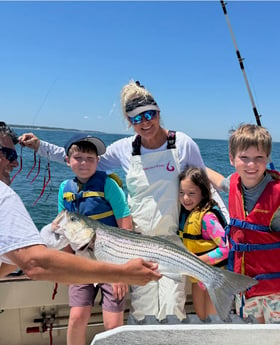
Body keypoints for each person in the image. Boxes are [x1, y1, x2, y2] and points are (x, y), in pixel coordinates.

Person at [19, 80, 229, 324]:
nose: (145, 122)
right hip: (136, 244)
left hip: (173, 241)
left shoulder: (182, 143)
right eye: (136, 118)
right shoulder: (124, 148)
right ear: (129, 122)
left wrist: (230, 190)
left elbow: (202, 178)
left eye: (149, 114)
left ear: (158, 113)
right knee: (144, 312)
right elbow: (83, 160)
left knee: (173, 310)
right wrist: (40, 146)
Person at [0, 121, 162, 288]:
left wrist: (41, 146)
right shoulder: (5, 196)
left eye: (90, 159)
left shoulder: (108, 185)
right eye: (10, 156)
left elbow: (15, 257)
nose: (16, 163)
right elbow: (34, 264)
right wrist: (122, 274)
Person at [58, 133, 132, 344]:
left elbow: (125, 224)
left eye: (90, 159)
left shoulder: (108, 185)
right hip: (81, 262)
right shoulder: (65, 189)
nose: (84, 163)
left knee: (113, 324)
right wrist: (65, 265)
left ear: (98, 162)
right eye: (78, 157)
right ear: (67, 160)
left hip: (111, 261)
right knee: (76, 318)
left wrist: (121, 273)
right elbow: (63, 229)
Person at [206, 123, 280, 324]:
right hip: (244, 289)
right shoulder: (233, 184)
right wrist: (195, 164)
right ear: (232, 159)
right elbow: (220, 181)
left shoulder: (278, 195)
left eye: (259, 158)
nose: (251, 165)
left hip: (276, 293)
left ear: (267, 160)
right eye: (244, 158)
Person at [178, 166, 229, 321]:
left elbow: (226, 248)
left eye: (192, 193)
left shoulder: (207, 218)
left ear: (203, 192)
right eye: (181, 193)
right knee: (201, 317)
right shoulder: (185, 215)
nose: (186, 198)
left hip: (214, 277)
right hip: (197, 279)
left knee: (213, 320)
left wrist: (199, 262)